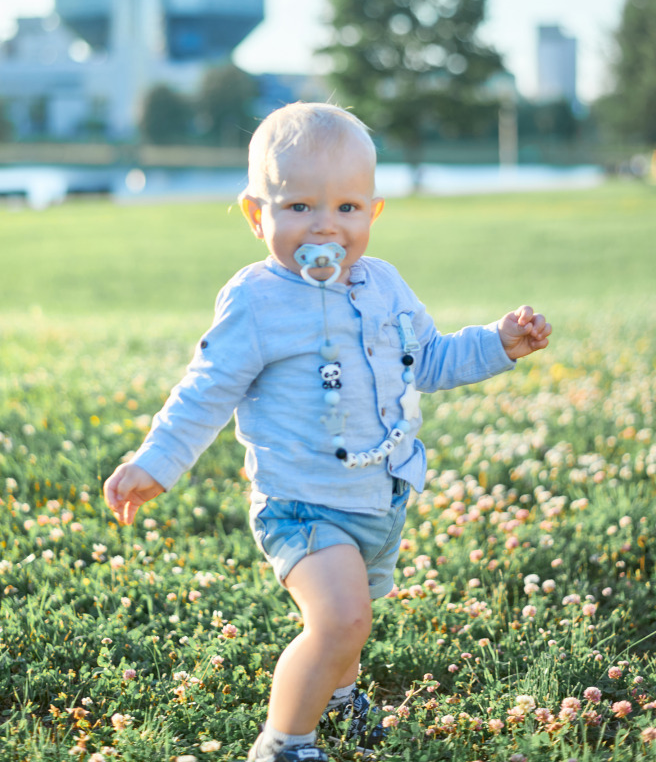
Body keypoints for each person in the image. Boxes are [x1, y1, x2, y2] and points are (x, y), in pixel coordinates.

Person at [104, 102, 551, 762]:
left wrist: (498, 343)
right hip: (301, 503)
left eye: (346, 208)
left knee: (346, 626)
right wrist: (156, 460)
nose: (325, 226)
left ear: (373, 213)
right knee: (342, 618)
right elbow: (207, 389)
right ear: (258, 215)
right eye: (299, 207)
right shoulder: (257, 300)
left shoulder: (385, 285)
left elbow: (426, 360)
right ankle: (285, 743)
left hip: (380, 497)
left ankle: (338, 699)